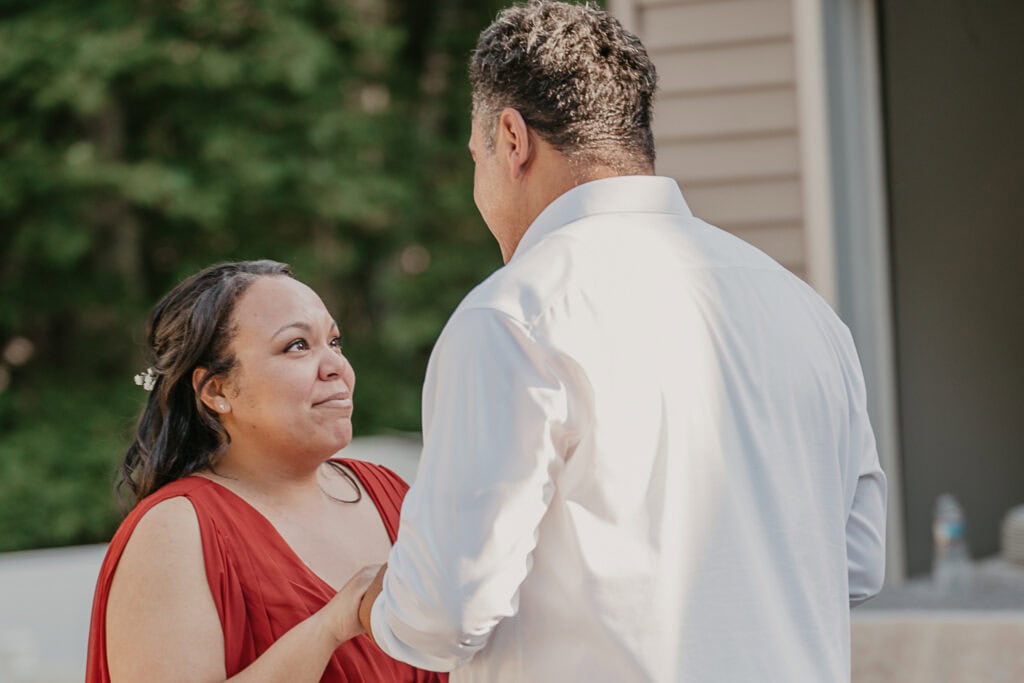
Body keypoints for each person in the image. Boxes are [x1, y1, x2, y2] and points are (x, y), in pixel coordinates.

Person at [355, 2, 887, 681]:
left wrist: (372, 602)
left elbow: (442, 612)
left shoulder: (513, 315)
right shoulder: (806, 312)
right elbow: (859, 559)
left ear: (512, 140)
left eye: (476, 156)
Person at [85, 260, 446, 683]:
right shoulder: (177, 530)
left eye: (335, 341)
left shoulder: (391, 491)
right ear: (216, 391)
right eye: (297, 346)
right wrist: (330, 627)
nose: (335, 366)